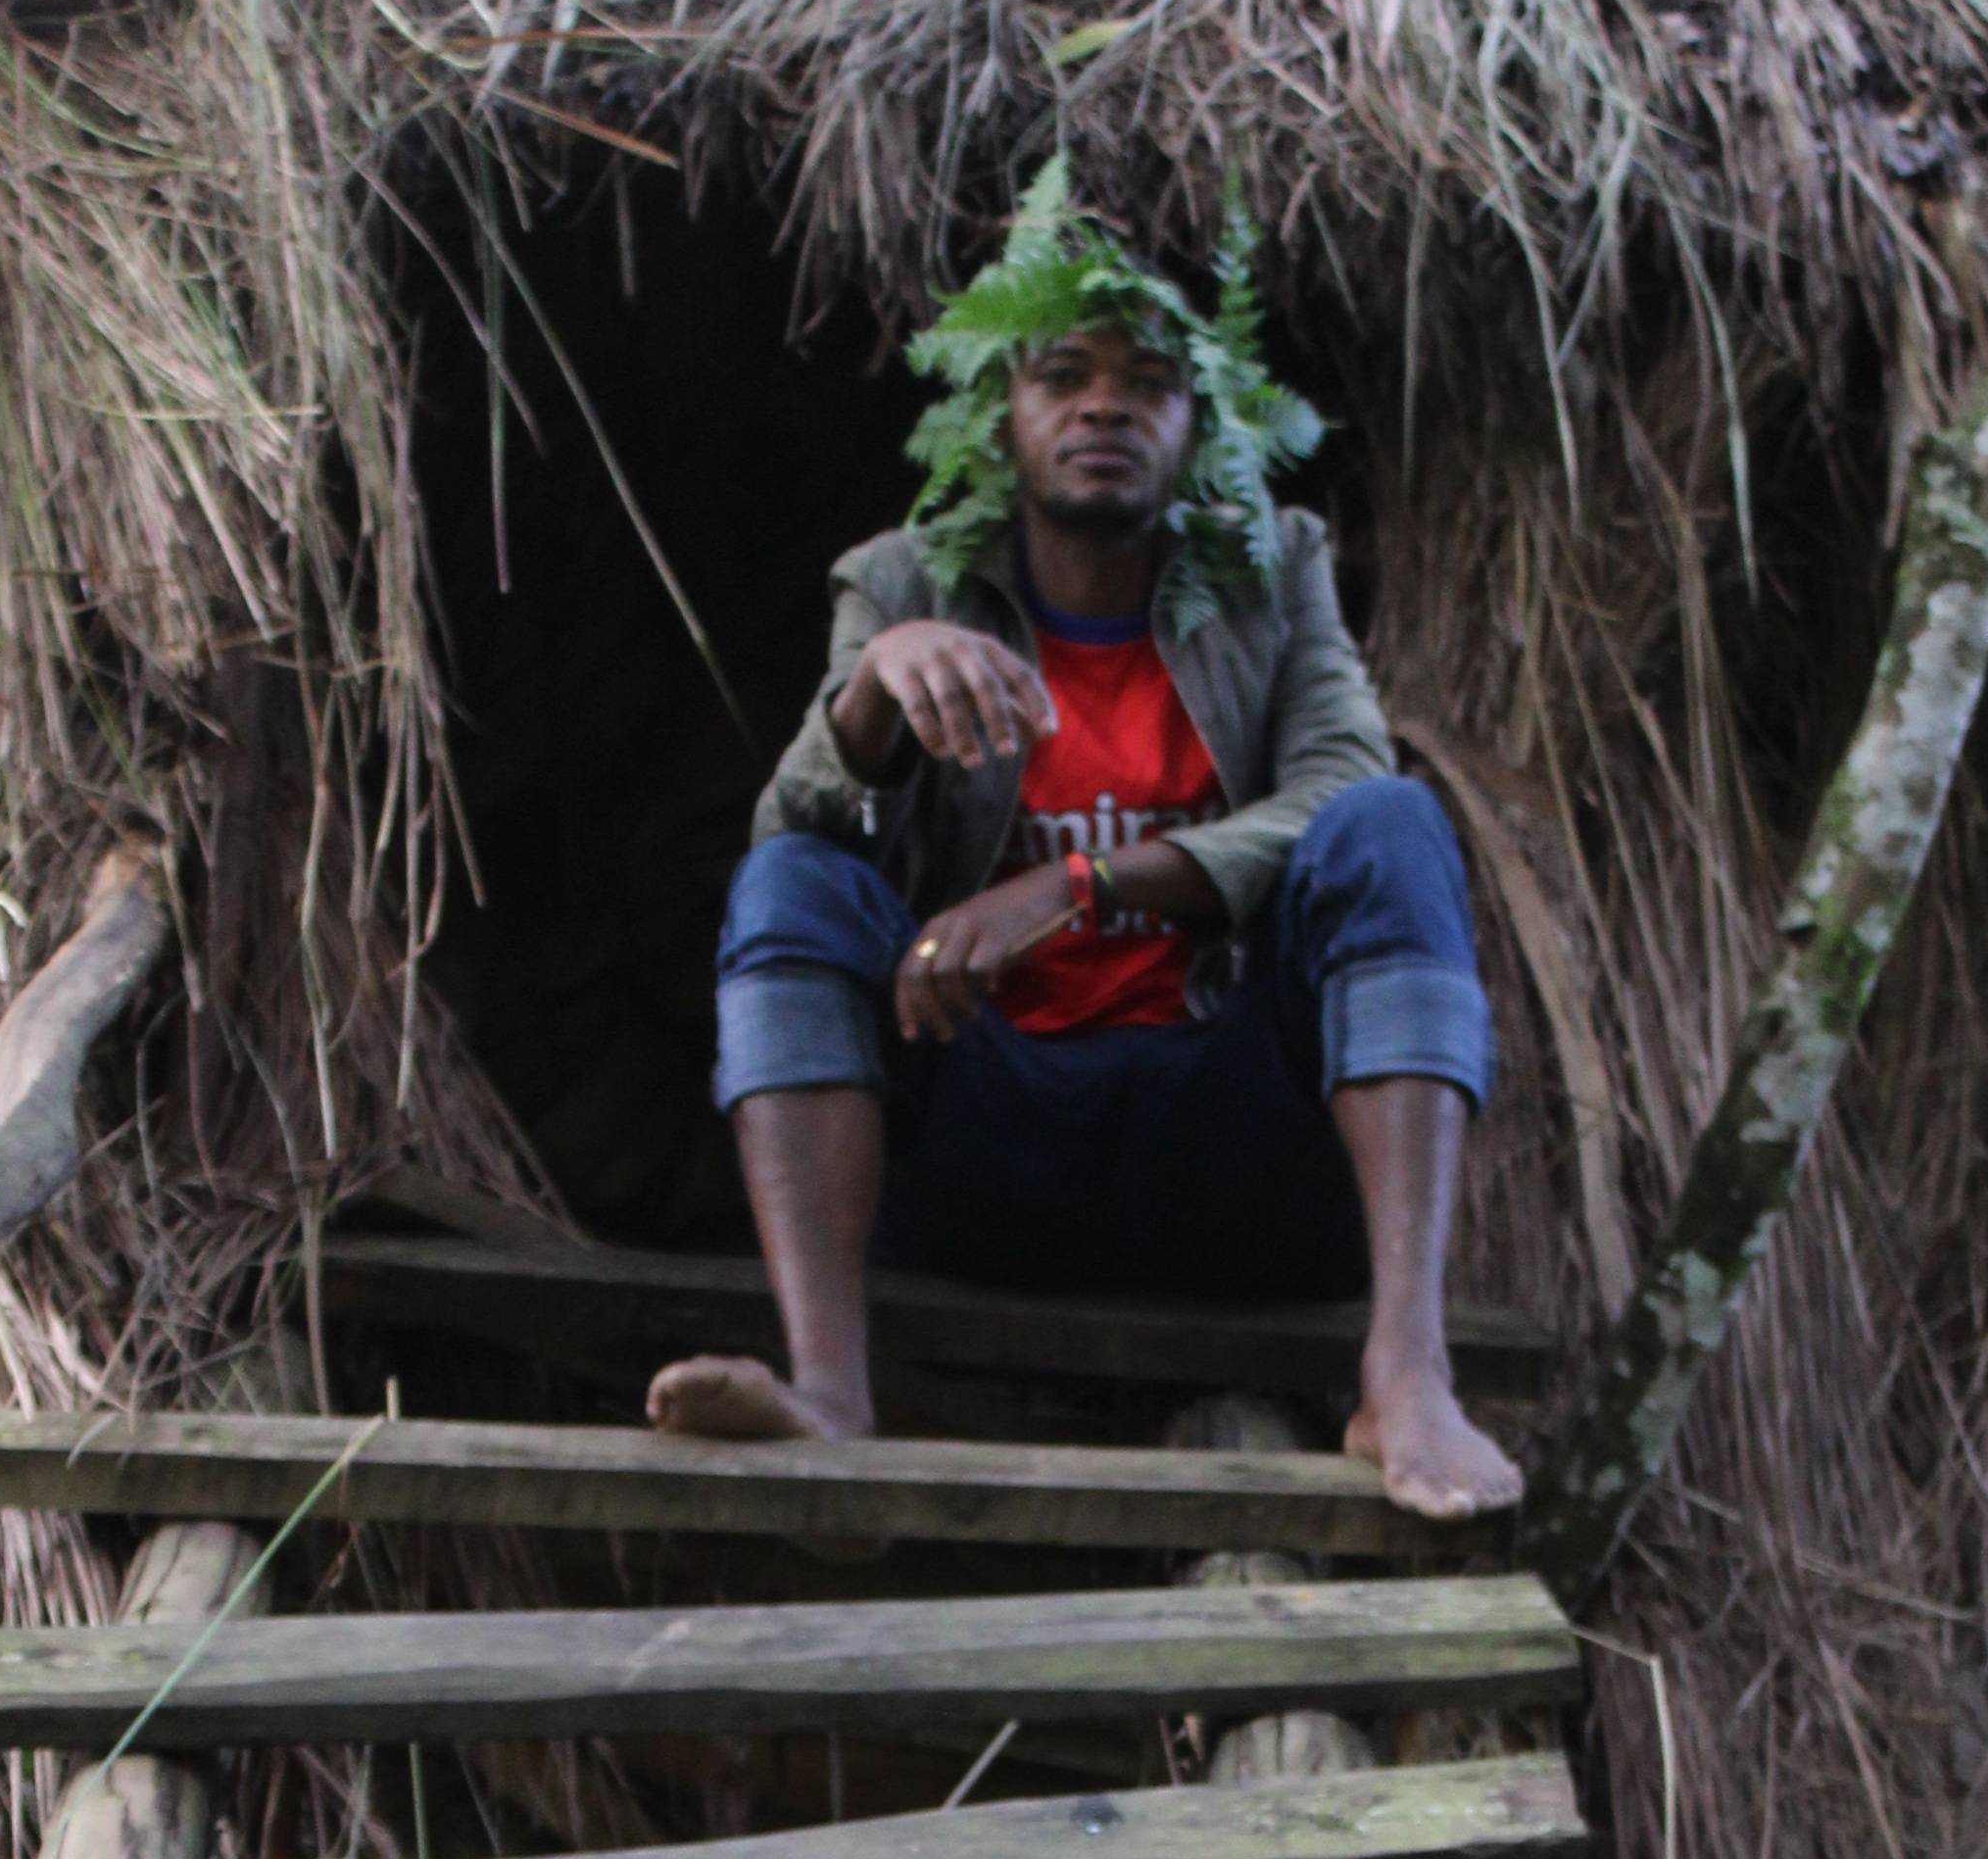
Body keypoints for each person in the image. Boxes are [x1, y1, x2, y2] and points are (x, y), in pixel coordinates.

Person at [644, 168, 1525, 1520]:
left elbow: (1345, 783)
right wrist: (877, 683)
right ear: (999, 418)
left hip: (1236, 1156)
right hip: (987, 1141)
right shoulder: (904, 581)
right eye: (1061, 373)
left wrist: (1076, 884)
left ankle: (1406, 1373)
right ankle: (827, 1388)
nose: (1104, 402)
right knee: (793, 881)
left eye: (1149, 380)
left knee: (1394, 822)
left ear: (1199, 426)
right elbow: (795, 847)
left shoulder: (1275, 573)